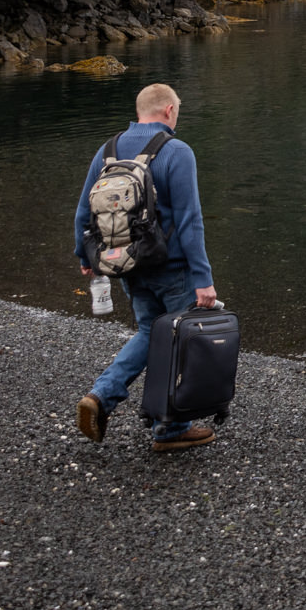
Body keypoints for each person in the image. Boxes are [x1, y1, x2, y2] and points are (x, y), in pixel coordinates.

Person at [73, 82, 219, 451]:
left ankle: (102, 396)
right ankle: (170, 429)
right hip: (172, 268)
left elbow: (84, 211)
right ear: (169, 110)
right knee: (180, 342)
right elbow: (190, 220)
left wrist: (85, 256)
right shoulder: (176, 151)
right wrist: (203, 279)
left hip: (128, 263)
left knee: (150, 332)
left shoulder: (108, 149)